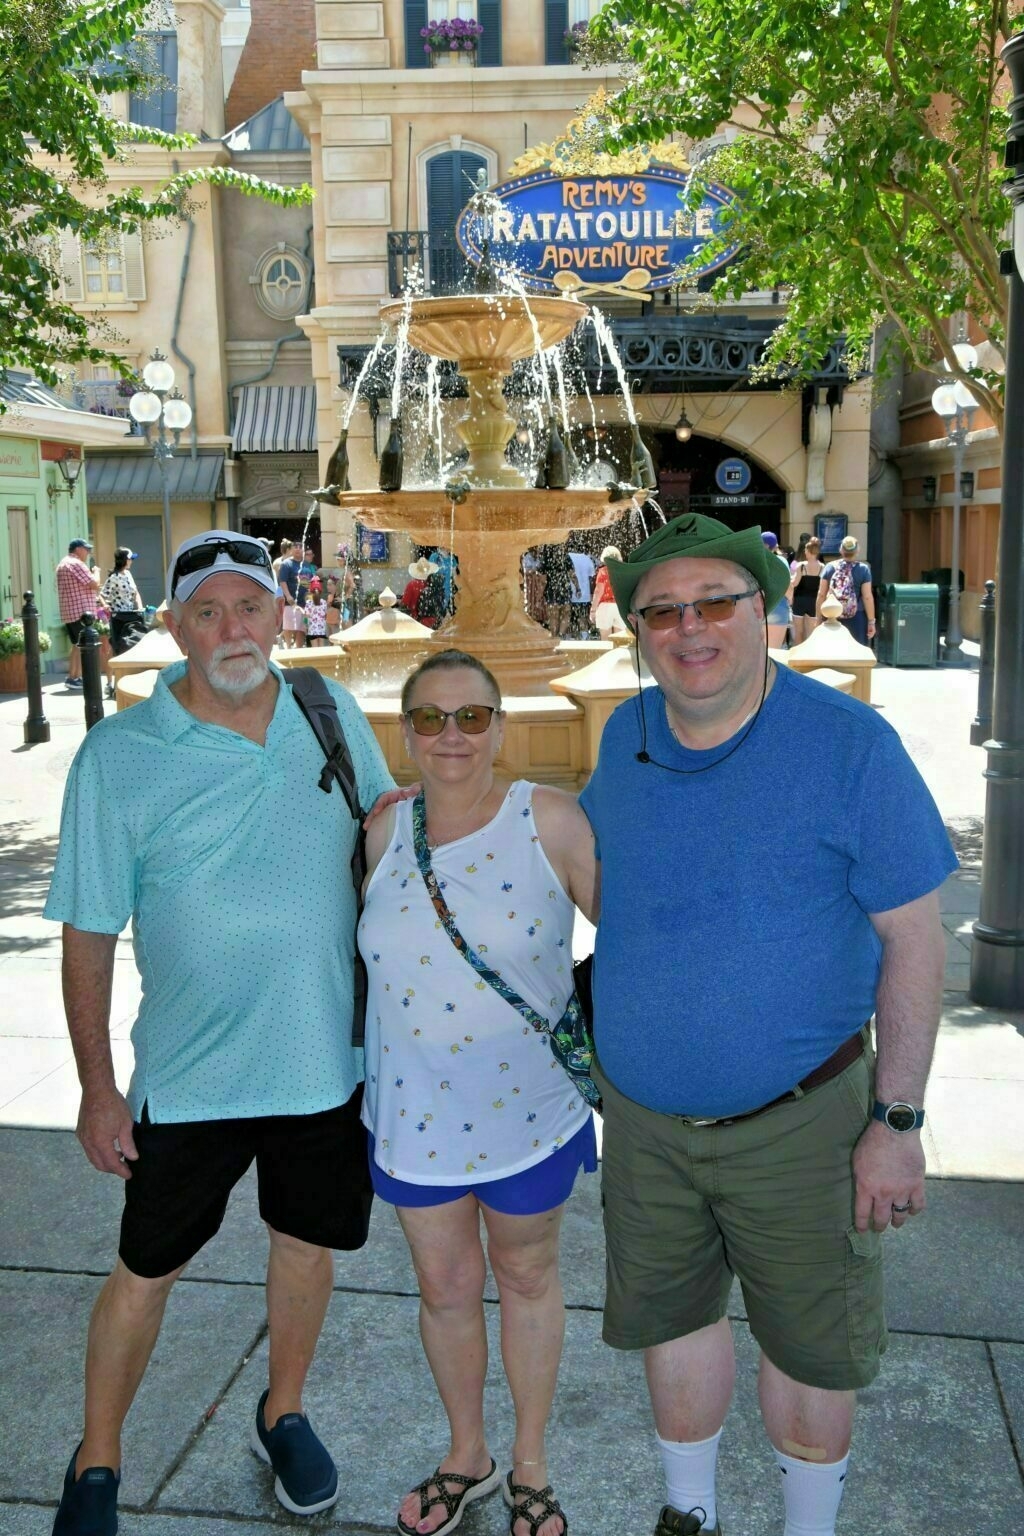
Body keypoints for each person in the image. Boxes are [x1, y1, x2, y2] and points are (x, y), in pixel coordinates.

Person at [580, 514, 956, 1536]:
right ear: (637, 629)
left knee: (810, 1347)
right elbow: (602, 878)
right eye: (662, 611)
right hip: (648, 1127)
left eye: (715, 604)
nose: (689, 629)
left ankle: (806, 1527)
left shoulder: (849, 747)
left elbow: (915, 944)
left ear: (770, 613)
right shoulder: (625, 733)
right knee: (673, 1322)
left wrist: (898, 1122)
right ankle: (687, 1514)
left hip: (804, 1126)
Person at [44, 530, 394, 1536]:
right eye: (207, 611)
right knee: (143, 1273)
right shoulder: (119, 757)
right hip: (188, 1081)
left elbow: (388, 843)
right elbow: (89, 937)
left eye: (249, 606)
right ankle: (97, 1463)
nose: (231, 627)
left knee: (304, 1247)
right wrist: (98, 1088)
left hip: (325, 1064)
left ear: (281, 615)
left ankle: (282, 1410)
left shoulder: (329, 714)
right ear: (174, 628)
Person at [359, 649, 600, 1536]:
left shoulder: (553, 820)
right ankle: (469, 1453)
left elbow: (641, 940)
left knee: (528, 1277)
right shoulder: (383, 832)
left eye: (471, 717)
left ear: (500, 727)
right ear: (406, 733)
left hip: (529, 1115)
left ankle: (531, 1463)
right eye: (430, 718)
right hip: (414, 1118)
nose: (451, 734)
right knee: (446, 1289)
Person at [56, 537, 102, 690]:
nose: (88, 552)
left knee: (76, 645)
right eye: (86, 549)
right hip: (81, 612)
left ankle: (74, 676)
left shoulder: (63, 563)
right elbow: (94, 584)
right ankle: (74, 677)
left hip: (70, 611)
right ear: (78, 549)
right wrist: (96, 572)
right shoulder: (76, 563)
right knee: (81, 646)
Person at [817, 535, 876, 645]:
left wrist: (818, 619)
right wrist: (871, 622)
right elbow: (867, 597)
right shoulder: (863, 569)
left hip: (831, 615)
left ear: (841, 549)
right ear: (857, 550)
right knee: (856, 651)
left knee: (832, 650)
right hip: (856, 616)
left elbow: (821, 594)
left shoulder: (829, 567)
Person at [788, 534, 825, 644]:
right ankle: (810, 657)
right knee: (811, 633)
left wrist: (788, 580)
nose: (804, 552)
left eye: (805, 550)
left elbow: (795, 583)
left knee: (798, 632)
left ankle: (798, 656)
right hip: (814, 601)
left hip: (800, 600)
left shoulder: (801, 566)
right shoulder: (822, 567)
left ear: (808, 551)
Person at [760, 531, 792, 648]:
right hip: (778, 608)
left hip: (758, 609)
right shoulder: (781, 560)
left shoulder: (754, 560)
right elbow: (787, 586)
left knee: (759, 651)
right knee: (774, 652)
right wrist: (790, 599)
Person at [589, 545, 627, 639]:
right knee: (620, 640)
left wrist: (593, 610)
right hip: (619, 606)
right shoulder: (623, 572)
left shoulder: (603, 571)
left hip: (605, 607)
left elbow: (598, 592)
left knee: (606, 640)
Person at [537, 544, 574, 639]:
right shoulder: (565, 557)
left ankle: (554, 636)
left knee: (554, 615)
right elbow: (572, 574)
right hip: (565, 588)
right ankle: (561, 635)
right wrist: (577, 588)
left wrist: (539, 595)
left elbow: (543, 581)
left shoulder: (546, 559)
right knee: (566, 613)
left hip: (552, 589)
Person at [401, 554, 440, 625]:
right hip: (432, 621)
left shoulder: (411, 585)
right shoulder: (432, 584)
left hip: (417, 621)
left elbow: (405, 604)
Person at [566, 547, 595, 637]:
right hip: (584, 594)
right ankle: (584, 637)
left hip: (569, 593)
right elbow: (591, 578)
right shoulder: (587, 559)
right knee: (582, 617)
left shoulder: (567, 557)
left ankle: (569, 638)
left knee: (568, 617)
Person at [304, 578, 328, 647]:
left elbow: (306, 616)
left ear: (311, 591)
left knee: (314, 651)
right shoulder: (324, 602)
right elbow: (326, 615)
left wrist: (305, 626)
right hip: (322, 630)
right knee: (321, 649)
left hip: (312, 630)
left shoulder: (308, 603)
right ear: (321, 591)